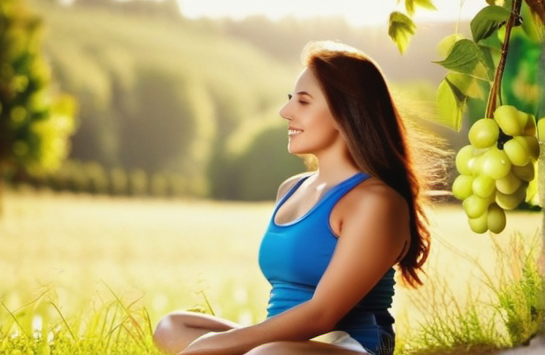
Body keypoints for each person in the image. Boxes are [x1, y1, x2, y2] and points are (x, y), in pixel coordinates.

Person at [153, 41, 446, 355]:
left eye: (303, 102)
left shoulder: (376, 202)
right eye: (290, 99)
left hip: (350, 346)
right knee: (173, 327)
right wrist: (214, 343)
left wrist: (213, 346)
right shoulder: (292, 188)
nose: (285, 112)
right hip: (280, 347)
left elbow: (323, 314)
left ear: (344, 112)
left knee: (264, 353)